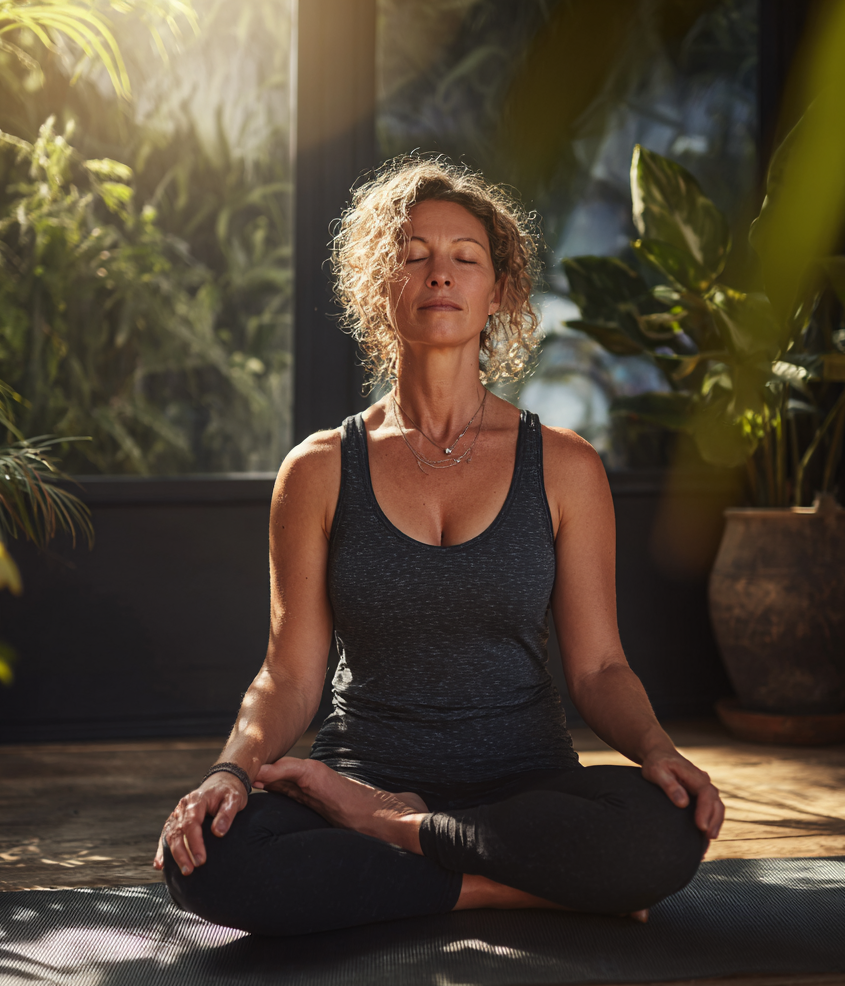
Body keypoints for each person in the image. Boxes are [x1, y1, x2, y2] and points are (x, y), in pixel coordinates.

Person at [154, 158, 725, 937]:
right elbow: (289, 672)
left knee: (663, 827)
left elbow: (598, 668)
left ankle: (408, 840)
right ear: (377, 285)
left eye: (466, 257)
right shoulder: (320, 469)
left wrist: (659, 752)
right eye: (413, 255)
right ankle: (516, 888)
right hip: (358, 781)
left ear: (500, 292)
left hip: (526, 787)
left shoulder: (564, 465)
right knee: (211, 860)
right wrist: (228, 770)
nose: (440, 275)